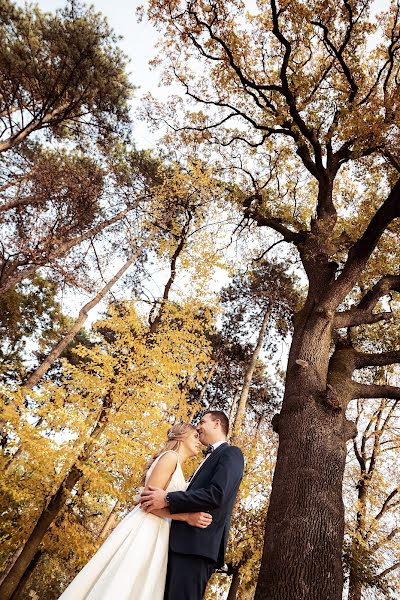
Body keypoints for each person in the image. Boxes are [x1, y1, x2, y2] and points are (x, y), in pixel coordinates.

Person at [58, 422, 212, 600]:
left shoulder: (177, 464)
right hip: (145, 529)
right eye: (195, 436)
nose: (199, 441)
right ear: (181, 436)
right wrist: (186, 517)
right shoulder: (170, 457)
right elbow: (147, 503)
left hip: (160, 531)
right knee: (125, 582)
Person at [141, 410, 245, 600]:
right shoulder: (205, 459)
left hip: (196, 546)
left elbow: (217, 494)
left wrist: (168, 499)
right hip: (179, 544)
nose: (198, 426)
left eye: (202, 422)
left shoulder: (231, 453)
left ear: (216, 424)